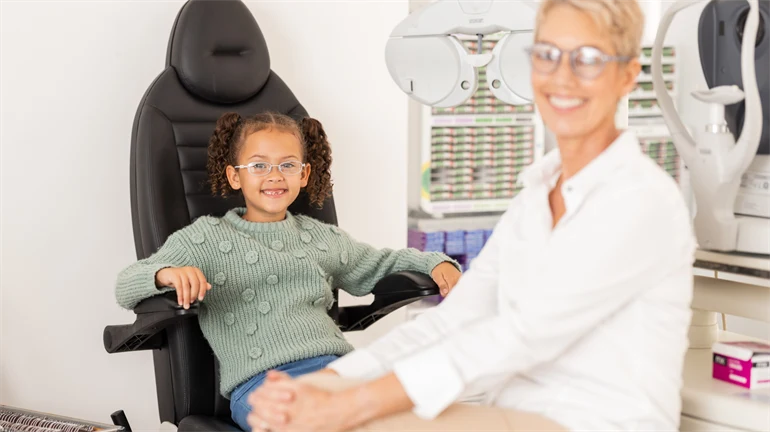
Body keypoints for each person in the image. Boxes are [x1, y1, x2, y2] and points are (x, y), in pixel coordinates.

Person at [247, 1, 697, 431]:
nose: (563, 76)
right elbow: (455, 320)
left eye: (589, 58)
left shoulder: (639, 200)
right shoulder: (535, 196)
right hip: (517, 413)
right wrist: (329, 382)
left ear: (627, 76)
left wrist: (351, 403)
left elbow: (520, 334)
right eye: (548, 55)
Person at [114, 112, 462, 431]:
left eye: (287, 165)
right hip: (262, 384)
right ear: (235, 176)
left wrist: (435, 262)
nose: (275, 176)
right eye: (259, 166)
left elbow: (380, 263)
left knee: (422, 414)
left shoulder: (320, 237)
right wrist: (165, 274)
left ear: (304, 173)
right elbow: (126, 285)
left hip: (339, 370)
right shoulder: (205, 238)